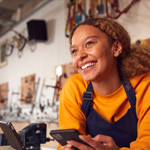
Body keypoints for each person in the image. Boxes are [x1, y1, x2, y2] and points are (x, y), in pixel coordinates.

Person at [58, 17, 150, 150]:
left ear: (116, 48)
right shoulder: (74, 88)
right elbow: (71, 141)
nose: (80, 55)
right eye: (74, 51)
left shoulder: (144, 84)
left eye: (89, 43)